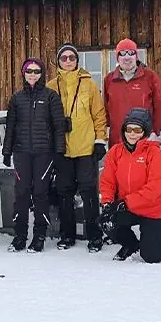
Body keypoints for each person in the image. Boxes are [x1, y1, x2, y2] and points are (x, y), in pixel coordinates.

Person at [46, 43, 108, 252]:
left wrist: (100, 140)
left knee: (89, 192)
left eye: (72, 58)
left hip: (85, 147)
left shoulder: (89, 84)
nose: (68, 61)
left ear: (77, 61)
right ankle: (67, 235)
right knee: (64, 192)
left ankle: (94, 235)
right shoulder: (51, 86)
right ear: (58, 61)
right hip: (62, 148)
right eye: (64, 58)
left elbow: (99, 114)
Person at [2, 58, 65, 253]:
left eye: (37, 71)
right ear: (23, 73)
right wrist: (7, 151)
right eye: (29, 70)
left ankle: (39, 236)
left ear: (42, 74)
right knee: (21, 194)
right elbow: (11, 126)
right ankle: (20, 235)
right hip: (21, 153)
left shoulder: (50, 96)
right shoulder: (17, 98)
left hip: (43, 154)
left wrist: (59, 152)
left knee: (40, 193)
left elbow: (58, 126)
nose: (32, 74)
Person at [99, 108, 161, 263]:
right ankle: (130, 244)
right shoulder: (115, 152)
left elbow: (153, 189)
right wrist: (107, 202)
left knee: (152, 257)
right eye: (128, 129)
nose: (132, 133)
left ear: (144, 131)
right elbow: (107, 181)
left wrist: (126, 203)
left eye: (137, 130)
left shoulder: (155, 154)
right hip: (126, 207)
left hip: (152, 210)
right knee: (106, 220)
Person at [103, 38, 161, 148]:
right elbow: (106, 108)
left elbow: (160, 106)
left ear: (136, 56)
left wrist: (155, 132)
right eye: (122, 53)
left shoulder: (150, 77)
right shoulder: (109, 79)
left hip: (143, 137)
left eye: (131, 53)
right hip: (117, 140)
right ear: (117, 57)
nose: (127, 57)